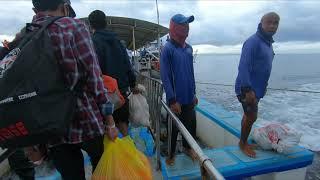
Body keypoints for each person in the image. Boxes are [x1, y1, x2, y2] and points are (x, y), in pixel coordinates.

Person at [31, 1, 117, 179]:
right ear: (65, 6)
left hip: (52, 127)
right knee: (102, 170)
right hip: (86, 119)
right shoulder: (74, 27)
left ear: (34, 10)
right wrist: (109, 121)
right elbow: (94, 78)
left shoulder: (27, 35)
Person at [235, 12, 280, 158]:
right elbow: (243, 67)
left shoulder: (267, 43)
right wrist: (247, 90)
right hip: (247, 89)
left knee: (248, 116)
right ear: (261, 23)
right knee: (252, 116)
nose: (272, 25)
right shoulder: (253, 42)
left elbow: (264, 67)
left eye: (276, 23)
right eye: (269, 22)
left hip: (257, 89)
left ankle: (243, 141)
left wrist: (263, 86)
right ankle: (242, 144)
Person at [88, 10, 137, 137]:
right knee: (123, 124)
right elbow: (127, 64)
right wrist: (133, 83)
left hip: (105, 92)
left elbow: (93, 69)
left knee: (107, 127)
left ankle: (111, 155)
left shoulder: (92, 42)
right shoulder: (117, 41)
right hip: (122, 90)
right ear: (105, 23)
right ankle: (129, 151)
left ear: (90, 25)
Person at [160, 14, 198, 165]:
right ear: (174, 28)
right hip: (176, 99)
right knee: (173, 129)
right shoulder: (168, 49)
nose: (187, 27)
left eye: (188, 25)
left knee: (191, 125)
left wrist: (194, 93)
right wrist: (172, 99)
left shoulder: (189, 48)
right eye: (183, 25)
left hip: (189, 97)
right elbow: (165, 76)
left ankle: (188, 148)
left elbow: (191, 72)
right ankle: (170, 154)